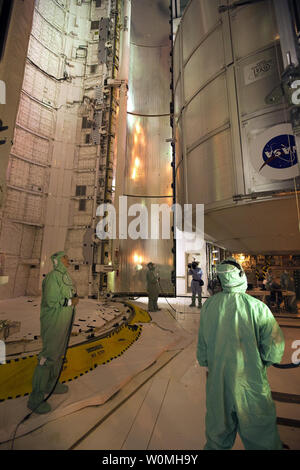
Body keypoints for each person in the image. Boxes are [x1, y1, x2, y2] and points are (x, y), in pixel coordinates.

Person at [197, 258, 285, 450]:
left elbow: (202, 350)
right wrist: (262, 362)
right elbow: (275, 347)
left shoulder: (209, 307)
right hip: (250, 383)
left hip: (218, 384)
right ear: (240, 276)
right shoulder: (257, 307)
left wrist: (210, 363)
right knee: (261, 437)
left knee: (216, 437)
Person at [27, 252, 79, 414]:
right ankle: (35, 398)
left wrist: (72, 300)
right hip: (53, 322)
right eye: (65, 257)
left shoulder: (65, 276)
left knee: (58, 355)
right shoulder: (52, 277)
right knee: (48, 357)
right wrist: (71, 301)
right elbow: (51, 300)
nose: (67, 258)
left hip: (63, 321)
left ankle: (51, 384)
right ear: (58, 260)